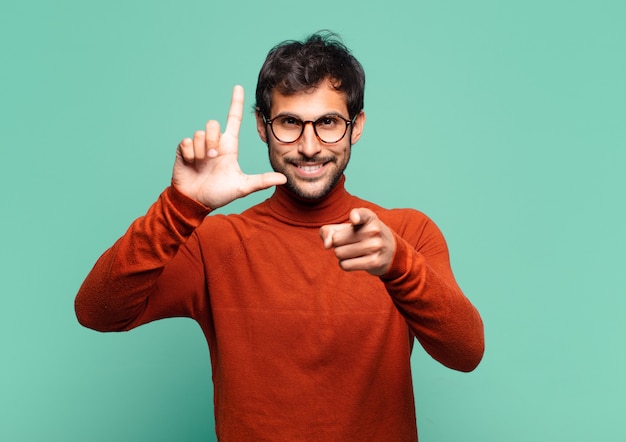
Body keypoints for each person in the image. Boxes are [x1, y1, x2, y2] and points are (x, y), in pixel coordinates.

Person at [75, 31, 484, 441]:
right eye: (290, 122)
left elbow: (466, 353)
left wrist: (398, 265)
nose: (309, 147)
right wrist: (181, 206)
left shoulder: (405, 235)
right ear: (261, 125)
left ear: (356, 126)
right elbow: (97, 311)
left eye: (328, 123)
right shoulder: (215, 243)